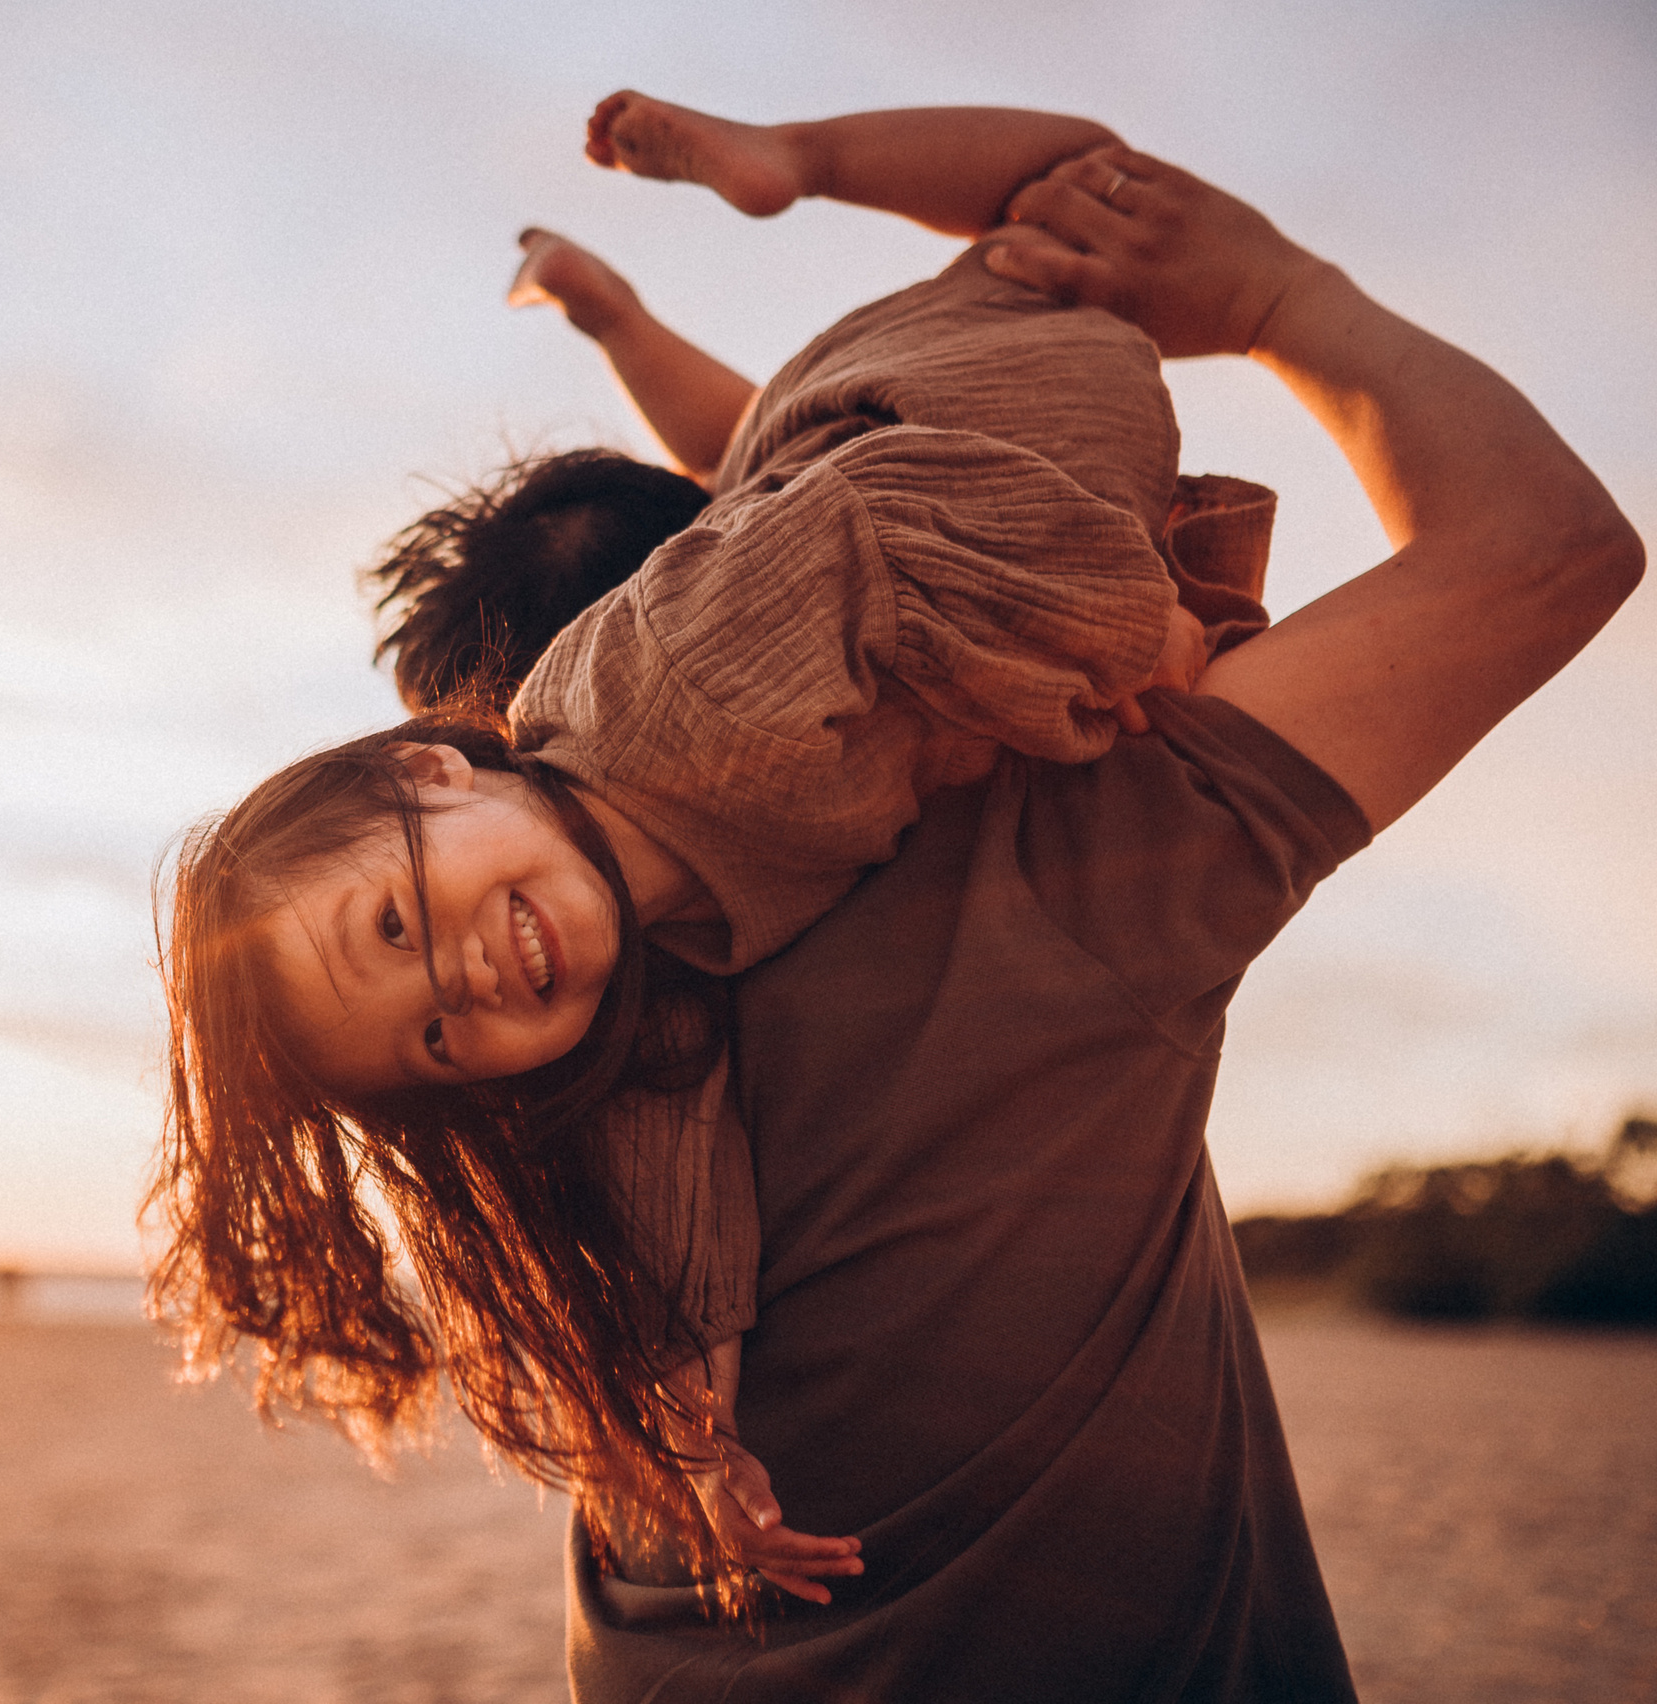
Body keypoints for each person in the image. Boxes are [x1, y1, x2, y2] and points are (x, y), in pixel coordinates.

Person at [551, 98, 1640, 1702]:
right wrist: (1280, 302)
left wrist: (627, 325)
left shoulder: (524, 1038)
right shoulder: (1057, 847)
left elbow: (733, 473)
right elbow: (1548, 550)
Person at [150, 100, 1256, 1608]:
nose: (467, 983)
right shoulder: (646, 970)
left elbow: (883, 508)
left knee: (1059, 194)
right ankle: (642, 289)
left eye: (403, 925)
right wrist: (698, 1434)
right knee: (756, 455)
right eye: (433, 1038)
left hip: (991, 410)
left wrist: (1131, 633)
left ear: (433, 759)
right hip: (837, 461)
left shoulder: (669, 691)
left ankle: (787, 163)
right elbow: (673, 1178)